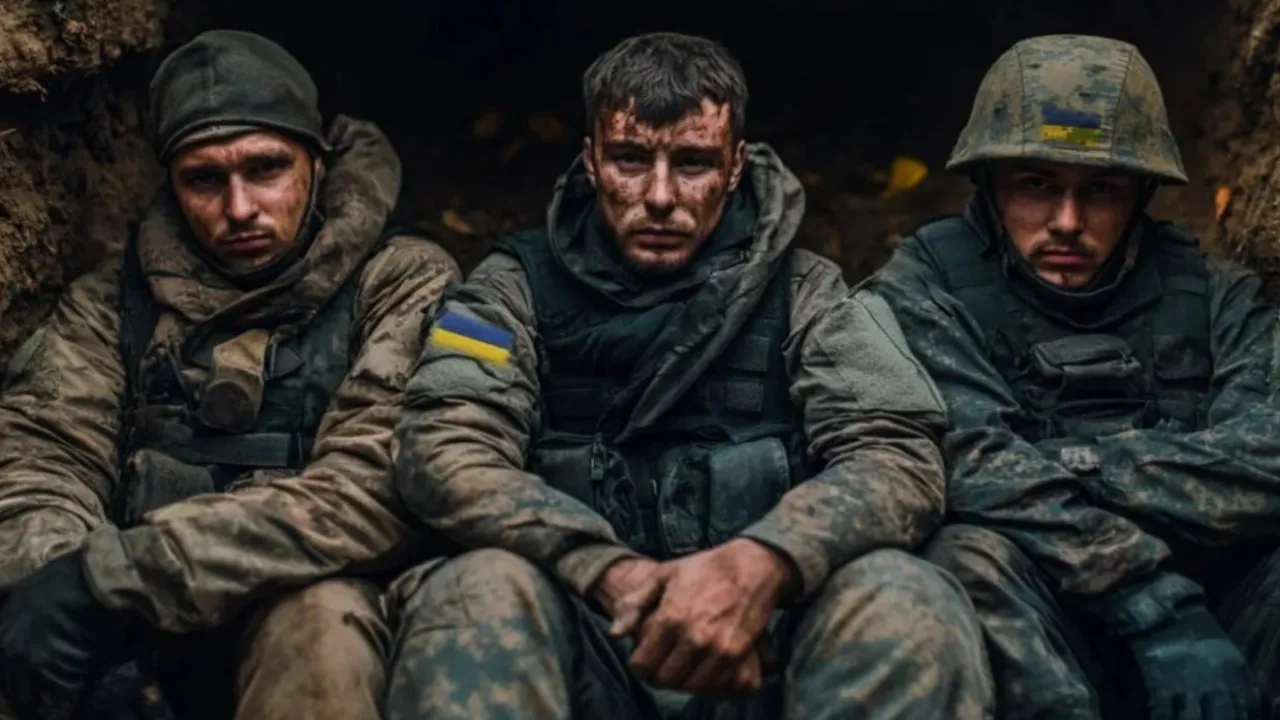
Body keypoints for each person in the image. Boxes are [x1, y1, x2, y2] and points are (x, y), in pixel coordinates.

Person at [383, 31, 994, 720]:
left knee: (905, 596)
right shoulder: (501, 296)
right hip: (584, 646)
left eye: (694, 163)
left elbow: (896, 456)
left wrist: (761, 565)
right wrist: (605, 569)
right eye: (630, 159)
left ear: (734, 168)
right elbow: (445, 447)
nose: (660, 196)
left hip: (764, 652)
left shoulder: (811, 297)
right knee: (475, 591)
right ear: (591, 161)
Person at [0, 30, 459, 720]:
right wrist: (71, 594)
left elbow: (377, 484)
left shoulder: (402, 282)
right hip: (141, 612)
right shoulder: (111, 302)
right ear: (172, 184)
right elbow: (41, 456)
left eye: (266, 168)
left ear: (317, 162)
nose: (239, 208)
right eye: (205, 180)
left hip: (306, 599)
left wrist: (120, 577)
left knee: (319, 627)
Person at [869, 33, 1280, 720]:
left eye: (1101, 190)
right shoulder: (924, 289)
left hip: (1219, 621)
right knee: (962, 557)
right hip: (1046, 614)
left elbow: (1268, 459)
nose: (1067, 222)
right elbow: (963, 463)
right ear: (990, 183)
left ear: (1142, 193)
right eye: (1037, 185)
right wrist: (1156, 604)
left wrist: (1069, 464)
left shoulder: (1215, 296)